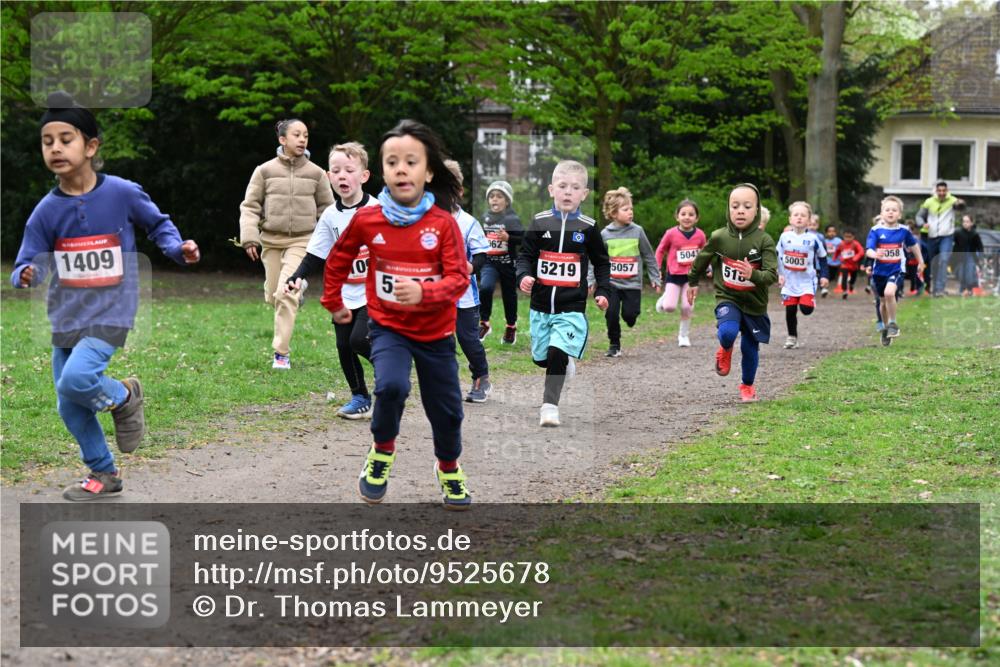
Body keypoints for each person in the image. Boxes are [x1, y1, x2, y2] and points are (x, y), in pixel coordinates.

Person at [11, 91, 201, 500]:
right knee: (68, 403)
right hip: (66, 315)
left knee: (78, 380)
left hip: (112, 310)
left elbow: (159, 225)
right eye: (48, 141)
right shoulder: (46, 211)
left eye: (66, 138)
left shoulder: (122, 192)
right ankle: (105, 472)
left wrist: (176, 248)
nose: (56, 148)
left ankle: (123, 395)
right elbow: (29, 260)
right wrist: (26, 274)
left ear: (91, 146)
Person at [320, 119, 472, 509]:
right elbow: (338, 259)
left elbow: (458, 279)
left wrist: (425, 291)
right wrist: (334, 301)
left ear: (429, 171)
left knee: (448, 411)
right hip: (388, 327)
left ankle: (449, 468)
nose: (401, 169)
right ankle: (381, 453)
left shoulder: (441, 225)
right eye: (392, 162)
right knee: (391, 387)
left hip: (436, 333)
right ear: (384, 172)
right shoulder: (369, 219)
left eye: (411, 161)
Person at [285, 142, 377, 419]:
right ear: (328, 177)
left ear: (364, 176)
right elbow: (315, 253)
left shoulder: (378, 209)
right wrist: (296, 275)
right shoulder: (331, 215)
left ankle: (392, 371)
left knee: (360, 340)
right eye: (336, 170)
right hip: (343, 292)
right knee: (343, 345)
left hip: (375, 291)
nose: (342, 176)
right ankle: (360, 396)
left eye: (349, 170)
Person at [515, 160, 611, 427]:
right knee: (542, 358)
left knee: (558, 350)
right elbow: (524, 256)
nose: (568, 192)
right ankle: (562, 362)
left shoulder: (588, 227)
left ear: (584, 194)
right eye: (562, 186)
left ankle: (549, 406)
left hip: (571, 307)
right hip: (541, 305)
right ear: (551, 190)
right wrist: (524, 276)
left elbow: (602, 262)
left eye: (575, 187)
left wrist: (602, 290)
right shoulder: (539, 222)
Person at [239, 119, 334, 369]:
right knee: (274, 296)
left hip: (303, 241)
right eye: (296, 135)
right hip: (271, 241)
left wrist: (327, 243)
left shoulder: (316, 173)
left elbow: (327, 210)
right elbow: (250, 206)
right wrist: (250, 237)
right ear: (282, 140)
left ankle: (281, 354)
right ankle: (295, 292)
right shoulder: (264, 171)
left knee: (286, 293)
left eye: (305, 135)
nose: (302, 139)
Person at [687, 183, 777, 403]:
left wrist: (752, 275)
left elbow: (771, 276)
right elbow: (701, 260)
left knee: (749, 348)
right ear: (728, 209)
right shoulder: (719, 237)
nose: (740, 210)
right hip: (728, 297)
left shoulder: (764, 241)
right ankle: (725, 349)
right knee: (727, 332)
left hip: (755, 304)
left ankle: (747, 386)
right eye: (735, 206)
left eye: (747, 206)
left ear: (757, 210)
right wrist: (692, 281)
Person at [442, 160, 492, 402]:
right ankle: (446, 384)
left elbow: (481, 255)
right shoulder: (425, 221)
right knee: (440, 341)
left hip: (464, 295)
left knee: (468, 339)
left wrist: (470, 266)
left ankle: (481, 376)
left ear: (459, 192)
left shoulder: (468, 222)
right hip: (436, 294)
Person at [594, 187, 661, 357]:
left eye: (631, 208)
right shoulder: (605, 234)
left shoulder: (637, 231)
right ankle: (614, 344)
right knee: (611, 313)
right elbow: (597, 259)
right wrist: (591, 279)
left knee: (630, 316)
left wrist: (655, 276)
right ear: (614, 213)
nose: (631, 212)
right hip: (612, 284)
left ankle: (631, 318)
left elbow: (648, 255)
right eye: (626, 209)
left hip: (632, 284)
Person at [866, 196, 925, 346]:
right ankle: (886, 328)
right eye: (887, 210)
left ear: (899, 214)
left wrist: (921, 261)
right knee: (882, 302)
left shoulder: (904, 231)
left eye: (894, 210)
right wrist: (874, 254)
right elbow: (869, 250)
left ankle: (893, 323)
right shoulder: (876, 230)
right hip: (879, 271)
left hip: (897, 269)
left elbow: (914, 246)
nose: (890, 213)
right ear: (882, 212)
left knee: (889, 293)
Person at [654, 198, 706, 347]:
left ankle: (683, 336)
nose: (687, 217)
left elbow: (704, 252)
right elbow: (660, 250)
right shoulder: (671, 233)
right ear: (677, 217)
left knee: (687, 306)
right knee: (670, 307)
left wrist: (707, 267)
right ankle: (665, 299)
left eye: (691, 214)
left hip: (691, 277)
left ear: (697, 218)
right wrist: (656, 268)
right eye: (683, 214)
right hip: (674, 275)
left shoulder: (700, 235)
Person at [776, 201, 828, 349]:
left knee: (806, 309)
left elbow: (823, 258)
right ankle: (792, 337)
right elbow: (777, 255)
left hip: (807, 281)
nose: (799, 218)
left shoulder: (813, 239)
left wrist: (824, 275)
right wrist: (779, 274)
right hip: (789, 281)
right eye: (796, 215)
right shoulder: (784, 237)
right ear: (790, 219)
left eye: (803, 215)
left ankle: (810, 300)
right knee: (790, 310)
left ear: (809, 220)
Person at [479, 180, 524, 344]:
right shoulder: (485, 217)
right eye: (492, 196)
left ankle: (511, 327)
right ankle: (484, 323)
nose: (494, 200)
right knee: (485, 287)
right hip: (489, 262)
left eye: (499, 197)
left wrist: (509, 238)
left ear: (507, 201)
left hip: (507, 263)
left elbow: (523, 239)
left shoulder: (512, 219)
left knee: (509, 295)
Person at [915, 181, 960, 296]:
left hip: (947, 236)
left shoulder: (952, 201)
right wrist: (922, 224)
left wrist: (961, 203)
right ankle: (934, 288)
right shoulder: (929, 202)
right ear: (936, 191)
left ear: (947, 191)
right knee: (933, 263)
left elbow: (960, 206)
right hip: (932, 236)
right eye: (939, 190)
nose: (941, 193)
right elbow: (919, 216)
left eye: (944, 191)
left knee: (943, 260)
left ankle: (940, 289)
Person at [952, 214, 984, 296]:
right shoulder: (958, 233)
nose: (965, 223)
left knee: (969, 274)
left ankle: (967, 290)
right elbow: (952, 242)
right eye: (964, 221)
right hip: (959, 257)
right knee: (961, 274)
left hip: (971, 257)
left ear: (971, 223)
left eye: (967, 221)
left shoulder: (975, 234)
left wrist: (980, 258)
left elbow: (980, 247)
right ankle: (963, 290)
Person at [833, 229, 864, 299]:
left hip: (854, 265)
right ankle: (844, 291)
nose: (847, 239)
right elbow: (837, 251)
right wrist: (835, 257)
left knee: (853, 278)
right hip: (845, 264)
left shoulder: (855, 244)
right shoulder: (841, 244)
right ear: (843, 237)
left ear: (853, 237)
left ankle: (851, 284)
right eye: (846, 237)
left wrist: (856, 257)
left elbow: (861, 251)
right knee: (844, 277)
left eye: (849, 237)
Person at [904, 219, 929, 296]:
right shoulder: (906, 237)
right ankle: (915, 289)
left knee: (918, 275)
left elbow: (918, 248)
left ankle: (922, 288)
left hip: (918, 259)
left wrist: (910, 249)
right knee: (913, 275)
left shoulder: (914, 237)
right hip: (911, 260)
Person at [823, 224, 842, 295]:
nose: (831, 233)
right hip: (828, 262)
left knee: (839, 276)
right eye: (829, 231)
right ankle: (824, 289)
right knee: (827, 276)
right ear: (826, 233)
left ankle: (842, 288)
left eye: (833, 231)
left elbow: (843, 249)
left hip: (838, 263)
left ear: (836, 233)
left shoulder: (839, 241)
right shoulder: (824, 241)